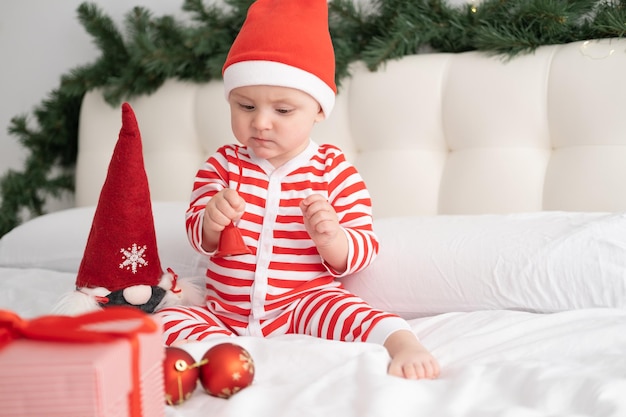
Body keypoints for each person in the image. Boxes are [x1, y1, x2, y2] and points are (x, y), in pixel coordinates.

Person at [156, 0, 440, 380]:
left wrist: (332, 237)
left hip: (303, 302)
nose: (260, 123)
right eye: (245, 105)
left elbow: (362, 250)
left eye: (283, 111)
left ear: (318, 110)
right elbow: (198, 236)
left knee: (348, 310)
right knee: (165, 317)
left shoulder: (334, 171)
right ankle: (220, 351)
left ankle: (402, 342)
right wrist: (210, 219)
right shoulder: (223, 165)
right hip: (223, 310)